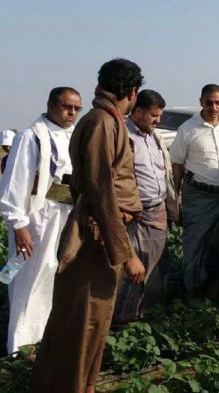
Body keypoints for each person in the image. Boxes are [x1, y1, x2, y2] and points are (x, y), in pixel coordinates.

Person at [31, 59, 145, 393]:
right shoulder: (99, 123)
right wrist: (126, 254)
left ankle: (84, 385)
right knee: (82, 323)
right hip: (96, 238)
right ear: (133, 92)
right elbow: (101, 194)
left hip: (103, 237)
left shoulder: (109, 121)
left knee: (93, 323)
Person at [0, 87, 82, 354]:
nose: (72, 113)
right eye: (67, 107)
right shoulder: (31, 137)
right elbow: (15, 183)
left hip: (63, 215)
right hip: (37, 219)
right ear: (50, 104)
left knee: (54, 279)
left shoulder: (72, 136)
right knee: (30, 282)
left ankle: (46, 344)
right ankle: (20, 347)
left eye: (76, 109)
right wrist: (19, 225)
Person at [112, 90, 179, 326]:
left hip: (157, 211)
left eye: (159, 116)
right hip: (133, 215)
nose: (157, 120)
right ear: (138, 111)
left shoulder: (155, 137)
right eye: (153, 115)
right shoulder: (123, 137)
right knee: (131, 269)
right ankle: (123, 321)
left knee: (157, 265)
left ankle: (146, 316)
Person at [170, 84, 219, 297]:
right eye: (209, 102)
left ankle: (213, 293)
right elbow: (177, 166)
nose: (213, 107)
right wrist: (177, 199)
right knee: (195, 245)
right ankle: (191, 293)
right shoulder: (188, 129)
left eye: (218, 102)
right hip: (198, 195)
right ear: (200, 101)